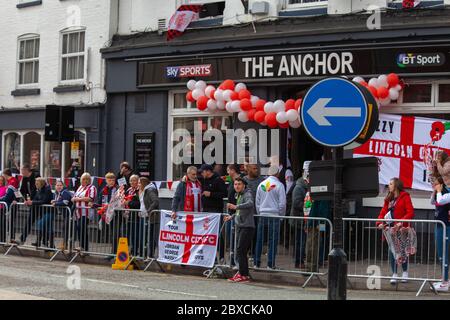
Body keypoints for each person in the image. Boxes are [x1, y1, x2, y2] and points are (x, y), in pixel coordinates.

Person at [377, 177, 414, 284]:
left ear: (396, 185)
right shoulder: (388, 198)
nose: (389, 186)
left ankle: (405, 272)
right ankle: (394, 274)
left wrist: (400, 222)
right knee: (392, 250)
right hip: (390, 229)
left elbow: (410, 212)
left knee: (402, 250)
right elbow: (383, 212)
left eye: (391, 184)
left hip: (401, 229)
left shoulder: (405, 196)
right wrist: (379, 223)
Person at [254, 165, 286, 269]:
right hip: (274, 215)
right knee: (273, 240)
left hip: (262, 215)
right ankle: (270, 264)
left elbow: (257, 202)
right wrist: (281, 216)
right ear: (278, 173)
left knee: (259, 240)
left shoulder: (261, 184)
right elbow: (282, 204)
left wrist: (260, 212)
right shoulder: (279, 185)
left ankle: (256, 263)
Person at [225, 177, 255, 283]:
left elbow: (250, 203)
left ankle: (243, 274)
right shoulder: (240, 195)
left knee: (240, 251)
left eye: (239, 184)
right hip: (241, 226)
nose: (237, 186)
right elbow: (239, 212)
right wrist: (231, 217)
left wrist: (236, 206)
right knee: (240, 251)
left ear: (244, 185)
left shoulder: (247, 194)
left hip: (247, 227)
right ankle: (244, 274)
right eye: (235, 184)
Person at [19, 178, 53, 247]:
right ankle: (22, 239)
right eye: (35, 183)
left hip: (46, 211)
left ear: (41, 183)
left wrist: (32, 202)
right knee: (29, 223)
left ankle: (46, 243)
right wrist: (28, 202)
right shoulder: (39, 190)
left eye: (37, 183)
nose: (35, 185)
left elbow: (44, 201)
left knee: (45, 227)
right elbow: (35, 199)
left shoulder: (47, 190)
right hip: (37, 210)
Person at [430, 176, 450, 291]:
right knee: (440, 253)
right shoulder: (439, 193)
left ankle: (445, 281)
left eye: (436, 184)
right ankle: (444, 278)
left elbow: (441, 200)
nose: (434, 186)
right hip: (439, 226)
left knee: (444, 253)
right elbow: (432, 201)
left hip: (446, 226)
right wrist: (435, 191)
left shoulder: (447, 194)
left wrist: (438, 191)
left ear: (442, 185)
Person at [290, 161, 311, 269]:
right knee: (300, 242)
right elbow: (296, 203)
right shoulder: (299, 187)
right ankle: (299, 262)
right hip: (299, 220)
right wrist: (308, 206)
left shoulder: (307, 186)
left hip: (304, 219)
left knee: (302, 241)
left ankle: (301, 260)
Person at [72, 173, 97, 251]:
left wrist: (78, 199)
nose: (85, 181)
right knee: (79, 228)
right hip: (78, 212)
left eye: (87, 179)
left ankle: (84, 247)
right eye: (83, 179)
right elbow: (75, 196)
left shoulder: (92, 187)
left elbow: (91, 198)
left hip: (86, 212)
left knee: (82, 228)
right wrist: (74, 199)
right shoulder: (80, 187)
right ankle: (81, 246)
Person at [138, 177, 160, 258]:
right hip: (146, 216)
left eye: (139, 183)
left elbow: (155, 201)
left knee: (150, 237)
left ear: (143, 183)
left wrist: (149, 210)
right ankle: (146, 254)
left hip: (151, 216)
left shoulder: (150, 190)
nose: (138, 185)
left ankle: (150, 255)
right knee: (147, 236)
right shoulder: (145, 190)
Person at [52, 180, 73, 251]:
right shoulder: (58, 193)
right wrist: (55, 201)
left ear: (63, 186)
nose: (59, 187)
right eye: (57, 185)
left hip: (70, 214)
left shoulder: (65, 192)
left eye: (60, 185)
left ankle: (66, 245)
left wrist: (56, 203)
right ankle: (65, 245)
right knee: (65, 229)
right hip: (65, 215)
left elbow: (65, 202)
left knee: (67, 229)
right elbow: (60, 201)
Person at [124, 175, 142, 256]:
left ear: (138, 181)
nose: (132, 182)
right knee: (129, 233)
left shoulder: (140, 190)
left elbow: (139, 203)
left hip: (136, 215)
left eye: (134, 180)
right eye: (131, 181)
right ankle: (130, 250)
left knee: (136, 234)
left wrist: (129, 203)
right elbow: (124, 199)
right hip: (128, 215)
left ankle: (136, 251)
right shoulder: (128, 190)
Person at [0, 175, 19, 244]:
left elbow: (15, 195)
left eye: (1, 180)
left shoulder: (8, 188)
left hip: (5, 208)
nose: (0, 182)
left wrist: (15, 200)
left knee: (4, 224)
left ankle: (4, 239)